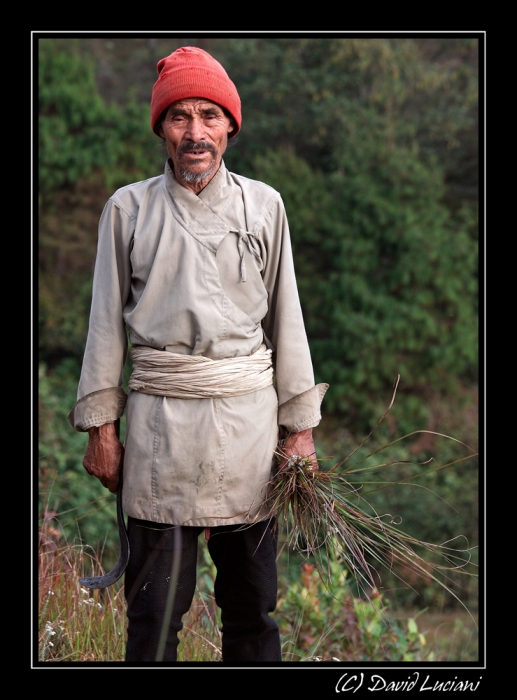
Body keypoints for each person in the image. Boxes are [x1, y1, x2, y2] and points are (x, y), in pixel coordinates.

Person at [69, 46, 328, 664]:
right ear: (161, 127)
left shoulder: (265, 206)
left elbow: (286, 319)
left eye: (209, 117)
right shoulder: (128, 210)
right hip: (162, 429)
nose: (195, 134)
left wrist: (301, 430)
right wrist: (101, 426)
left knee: (253, 609)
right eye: (180, 117)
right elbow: (104, 325)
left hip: (249, 428)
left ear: (230, 127)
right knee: (154, 617)